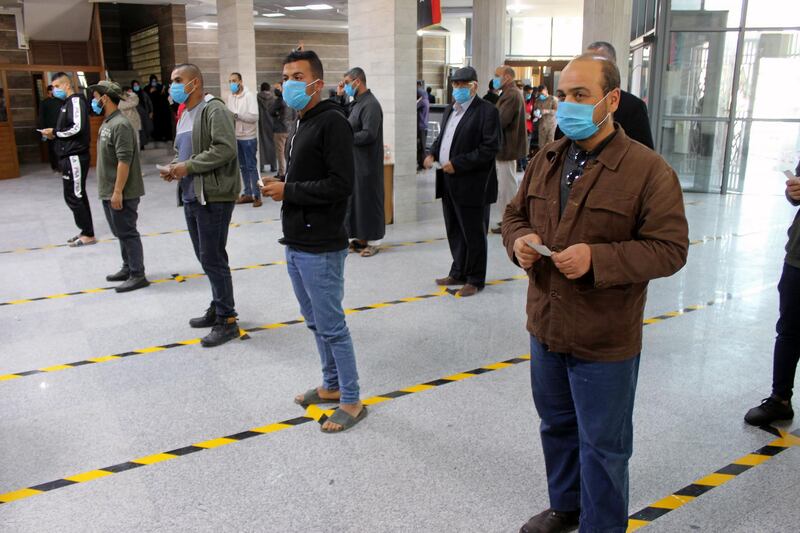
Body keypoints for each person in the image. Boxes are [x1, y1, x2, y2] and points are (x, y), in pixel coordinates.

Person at [502, 53, 689, 533]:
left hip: (604, 339)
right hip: (545, 326)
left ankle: (601, 526)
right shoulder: (547, 158)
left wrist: (598, 260)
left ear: (612, 101)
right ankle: (565, 507)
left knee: (603, 446)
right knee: (557, 428)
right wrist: (518, 240)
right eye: (562, 96)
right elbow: (514, 215)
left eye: (580, 96)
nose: (567, 106)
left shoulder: (648, 171)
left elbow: (669, 249)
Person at [262, 49, 367, 433]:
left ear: (317, 83)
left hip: (322, 243)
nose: (288, 82)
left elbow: (341, 185)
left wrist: (289, 190)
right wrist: (282, 187)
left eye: (297, 76)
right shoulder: (301, 122)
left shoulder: (332, 123)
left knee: (332, 324)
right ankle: (331, 385)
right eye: (285, 75)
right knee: (314, 322)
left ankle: (352, 400)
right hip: (296, 239)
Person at [160, 63, 241, 348]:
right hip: (192, 194)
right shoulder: (184, 115)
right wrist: (174, 167)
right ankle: (218, 304)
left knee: (213, 256)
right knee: (205, 256)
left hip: (213, 196)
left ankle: (227, 320)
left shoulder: (213, 109)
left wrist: (188, 166)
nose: (173, 85)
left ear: (194, 82)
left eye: (178, 80)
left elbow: (225, 148)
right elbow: (182, 151)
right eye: (172, 81)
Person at [424, 66, 500, 298]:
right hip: (448, 182)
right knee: (455, 230)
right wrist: (432, 153)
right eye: (455, 85)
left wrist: (458, 163)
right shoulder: (451, 110)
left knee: (474, 234)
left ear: (474, 86)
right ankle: (458, 271)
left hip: (472, 184)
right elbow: (442, 138)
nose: (457, 89)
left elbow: (489, 149)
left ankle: (475, 279)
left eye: (461, 85)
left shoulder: (487, 111)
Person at [744, 160, 800, 426]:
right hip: (798, 257)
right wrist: (793, 192)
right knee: (789, 329)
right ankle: (780, 400)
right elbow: (795, 195)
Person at [89, 81, 148, 293]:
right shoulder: (108, 122)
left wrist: (117, 191)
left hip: (123, 191)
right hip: (109, 189)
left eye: (96, 96)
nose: (94, 101)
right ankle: (127, 267)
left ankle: (137, 274)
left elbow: (125, 160)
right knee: (120, 232)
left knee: (127, 231)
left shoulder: (121, 124)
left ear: (105, 98)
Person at [41, 72, 95, 247]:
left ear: (67, 85)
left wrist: (55, 133)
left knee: (75, 194)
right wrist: (53, 134)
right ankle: (85, 230)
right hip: (67, 155)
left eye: (57, 86)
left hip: (75, 156)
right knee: (74, 194)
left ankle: (88, 234)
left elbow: (78, 127)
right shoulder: (66, 104)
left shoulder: (76, 101)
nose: (55, 90)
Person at [338, 67, 385, 257]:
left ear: (358, 81)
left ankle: (373, 241)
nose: (346, 86)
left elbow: (369, 134)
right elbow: (343, 117)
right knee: (356, 202)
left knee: (369, 202)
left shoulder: (371, 105)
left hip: (368, 164)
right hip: (356, 162)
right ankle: (360, 237)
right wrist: (340, 95)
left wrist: (346, 138)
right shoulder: (357, 103)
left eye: (347, 83)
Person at [585, 41, 655, 149]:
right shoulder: (577, 103)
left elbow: (644, 153)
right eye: (587, 63)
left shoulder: (633, 106)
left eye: (597, 63)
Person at [491, 65, 527, 234]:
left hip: (507, 148)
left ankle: (510, 222)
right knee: (505, 186)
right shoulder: (508, 93)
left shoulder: (511, 95)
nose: (495, 79)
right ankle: (506, 220)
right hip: (506, 148)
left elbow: (501, 120)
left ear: (506, 77)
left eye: (497, 75)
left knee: (507, 187)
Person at [227, 72, 262, 207]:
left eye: (234, 81)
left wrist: (237, 115)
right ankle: (247, 193)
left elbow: (254, 117)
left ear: (240, 81)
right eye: (230, 81)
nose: (232, 84)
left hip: (249, 137)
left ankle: (257, 195)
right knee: (242, 167)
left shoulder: (249, 96)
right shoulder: (231, 97)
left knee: (252, 167)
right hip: (236, 136)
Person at [271, 82, 295, 181]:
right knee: (287, 151)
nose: (275, 89)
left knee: (280, 152)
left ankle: (282, 172)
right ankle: (288, 171)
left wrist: (277, 114)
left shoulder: (279, 100)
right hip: (289, 128)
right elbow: (294, 114)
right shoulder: (291, 99)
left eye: (277, 88)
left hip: (280, 129)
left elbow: (271, 111)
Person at [38, 85, 62, 173]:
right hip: (49, 129)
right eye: (53, 90)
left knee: (61, 147)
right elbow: (41, 117)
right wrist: (43, 130)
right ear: (49, 92)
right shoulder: (44, 102)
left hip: (60, 128)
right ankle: (55, 167)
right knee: (52, 148)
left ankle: (61, 166)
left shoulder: (60, 102)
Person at [257, 81, 277, 174]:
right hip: (271, 124)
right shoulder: (273, 99)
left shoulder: (257, 98)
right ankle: (273, 166)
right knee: (272, 145)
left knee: (261, 145)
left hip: (261, 123)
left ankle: (261, 166)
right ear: (269, 88)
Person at [147, 74, 172, 142]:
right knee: (156, 124)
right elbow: (147, 99)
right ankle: (157, 137)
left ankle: (166, 136)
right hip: (154, 110)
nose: (154, 82)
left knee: (164, 123)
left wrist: (163, 91)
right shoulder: (147, 88)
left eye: (155, 81)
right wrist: (151, 92)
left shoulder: (160, 87)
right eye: (152, 81)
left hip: (162, 110)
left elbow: (165, 97)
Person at [131, 80, 153, 150]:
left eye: (137, 85)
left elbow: (149, 102)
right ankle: (140, 145)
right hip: (136, 114)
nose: (136, 87)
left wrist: (151, 111)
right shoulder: (131, 95)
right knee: (140, 131)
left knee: (145, 129)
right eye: (134, 85)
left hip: (144, 114)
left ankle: (143, 143)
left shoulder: (143, 93)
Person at [417, 81, 430, 171]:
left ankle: (424, 165)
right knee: (421, 146)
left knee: (421, 146)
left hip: (421, 126)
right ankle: (421, 164)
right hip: (424, 126)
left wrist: (417, 100)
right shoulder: (426, 100)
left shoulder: (422, 102)